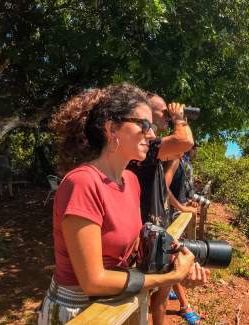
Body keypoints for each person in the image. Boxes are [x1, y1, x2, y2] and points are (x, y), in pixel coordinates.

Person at [38, 83, 208, 324]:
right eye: (144, 125)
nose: (152, 134)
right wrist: (165, 279)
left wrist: (176, 264)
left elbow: (134, 249)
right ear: (111, 128)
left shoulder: (130, 180)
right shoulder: (83, 183)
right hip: (79, 313)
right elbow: (93, 280)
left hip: (117, 306)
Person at [127, 93, 195, 325]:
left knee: (162, 292)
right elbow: (184, 142)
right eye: (163, 111)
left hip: (158, 227)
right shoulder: (141, 148)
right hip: (144, 234)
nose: (168, 114)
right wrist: (179, 118)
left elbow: (180, 149)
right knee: (142, 299)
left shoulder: (149, 148)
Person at [163, 149, 201, 324]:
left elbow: (181, 188)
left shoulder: (185, 160)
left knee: (172, 256)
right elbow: (163, 188)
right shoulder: (174, 157)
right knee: (175, 257)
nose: (194, 149)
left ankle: (169, 288)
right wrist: (182, 207)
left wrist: (187, 202)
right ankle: (185, 306)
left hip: (176, 214)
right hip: (167, 215)